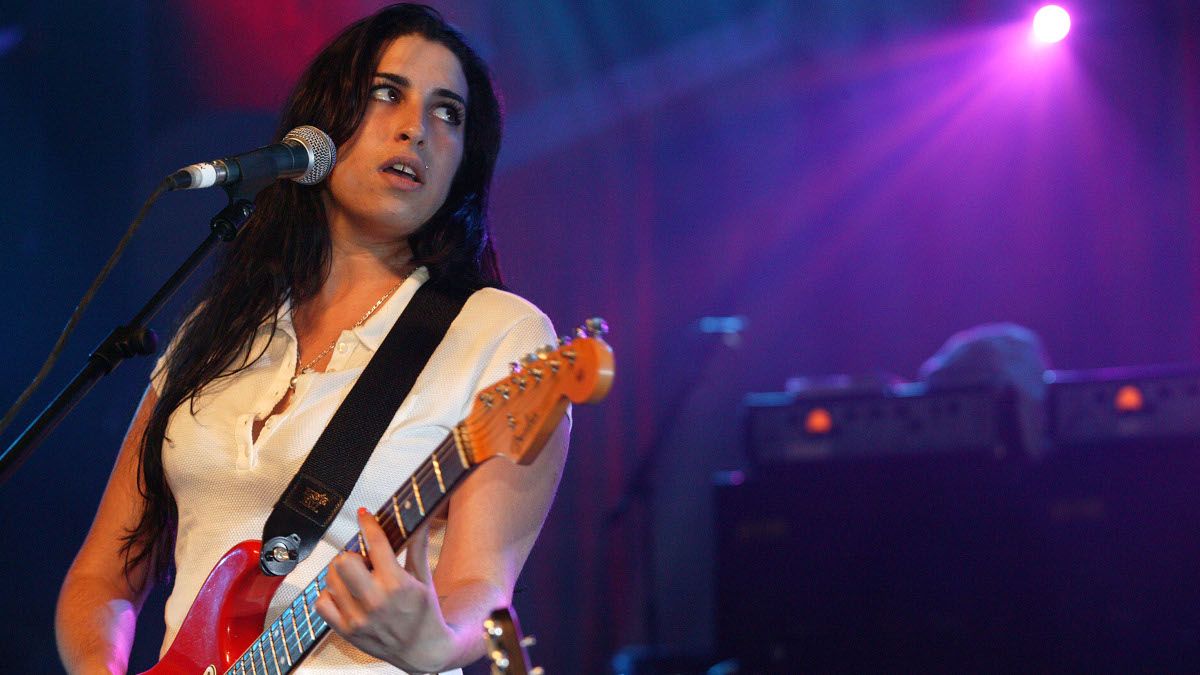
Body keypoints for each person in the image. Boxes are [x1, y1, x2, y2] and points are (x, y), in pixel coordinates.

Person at [54, 4, 571, 674]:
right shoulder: (217, 329)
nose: (417, 127)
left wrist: (437, 641)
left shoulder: (498, 332)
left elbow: (482, 587)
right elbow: (102, 575)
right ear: (321, 121)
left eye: (449, 113)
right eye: (388, 93)